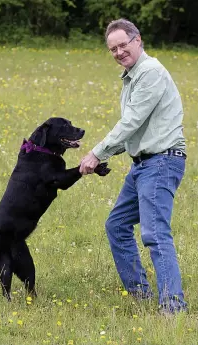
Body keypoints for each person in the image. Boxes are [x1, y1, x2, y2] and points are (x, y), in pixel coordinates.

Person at [79, 18, 187, 314]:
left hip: (162, 162)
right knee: (116, 225)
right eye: (112, 48)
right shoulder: (131, 77)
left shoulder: (150, 72)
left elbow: (131, 122)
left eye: (123, 45)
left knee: (154, 233)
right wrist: (105, 154)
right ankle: (141, 296)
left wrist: (97, 153)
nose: (118, 52)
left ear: (137, 40)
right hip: (143, 165)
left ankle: (172, 307)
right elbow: (134, 129)